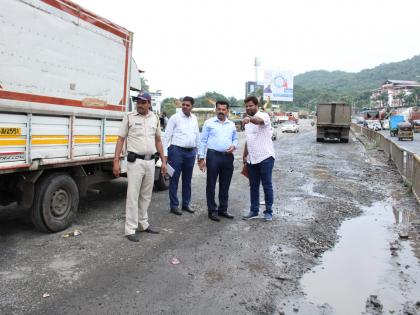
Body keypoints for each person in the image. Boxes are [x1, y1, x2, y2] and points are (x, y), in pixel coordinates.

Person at [113, 93, 167, 242]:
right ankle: (130, 229)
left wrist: (163, 161)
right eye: (138, 102)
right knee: (132, 195)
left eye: (143, 102)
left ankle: (143, 224)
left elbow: (158, 141)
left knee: (146, 195)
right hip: (135, 162)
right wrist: (116, 161)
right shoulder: (129, 117)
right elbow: (120, 139)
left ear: (149, 103)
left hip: (150, 162)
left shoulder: (155, 118)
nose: (140, 105)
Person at [198, 100, 238, 221]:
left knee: (225, 185)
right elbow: (203, 141)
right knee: (211, 184)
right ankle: (212, 210)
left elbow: (235, 138)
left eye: (223, 109)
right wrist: (201, 157)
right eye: (219, 109)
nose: (221, 111)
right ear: (216, 110)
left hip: (227, 157)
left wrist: (234, 146)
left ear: (227, 111)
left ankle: (223, 209)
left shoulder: (231, 124)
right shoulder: (209, 123)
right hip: (213, 156)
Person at [163, 96, 200, 215]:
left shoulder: (194, 118)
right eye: (183, 104)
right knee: (174, 179)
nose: (184, 106)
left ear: (192, 107)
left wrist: (199, 153)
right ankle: (174, 206)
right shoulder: (175, 118)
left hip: (190, 153)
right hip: (176, 152)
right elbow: (166, 137)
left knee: (187, 180)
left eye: (187, 105)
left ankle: (186, 204)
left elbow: (197, 136)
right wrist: (165, 155)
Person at [242, 95, 275, 221]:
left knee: (267, 185)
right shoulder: (247, 122)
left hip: (265, 157)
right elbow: (248, 139)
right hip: (252, 158)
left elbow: (258, 121)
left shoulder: (263, 116)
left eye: (251, 105)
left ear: (256, 106)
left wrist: (248, 118)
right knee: (253, 186)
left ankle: (268, 212)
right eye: (247, 106)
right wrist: (245, 155)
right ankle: (254, 211)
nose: (248, 108)